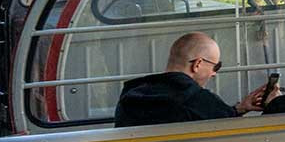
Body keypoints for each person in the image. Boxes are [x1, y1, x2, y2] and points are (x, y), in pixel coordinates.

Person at [112, 32, 268, 126]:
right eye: (215, 67)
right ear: (198, 64)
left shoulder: (130, 93)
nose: (214, 74)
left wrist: (240, 108)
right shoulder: (198, 100)